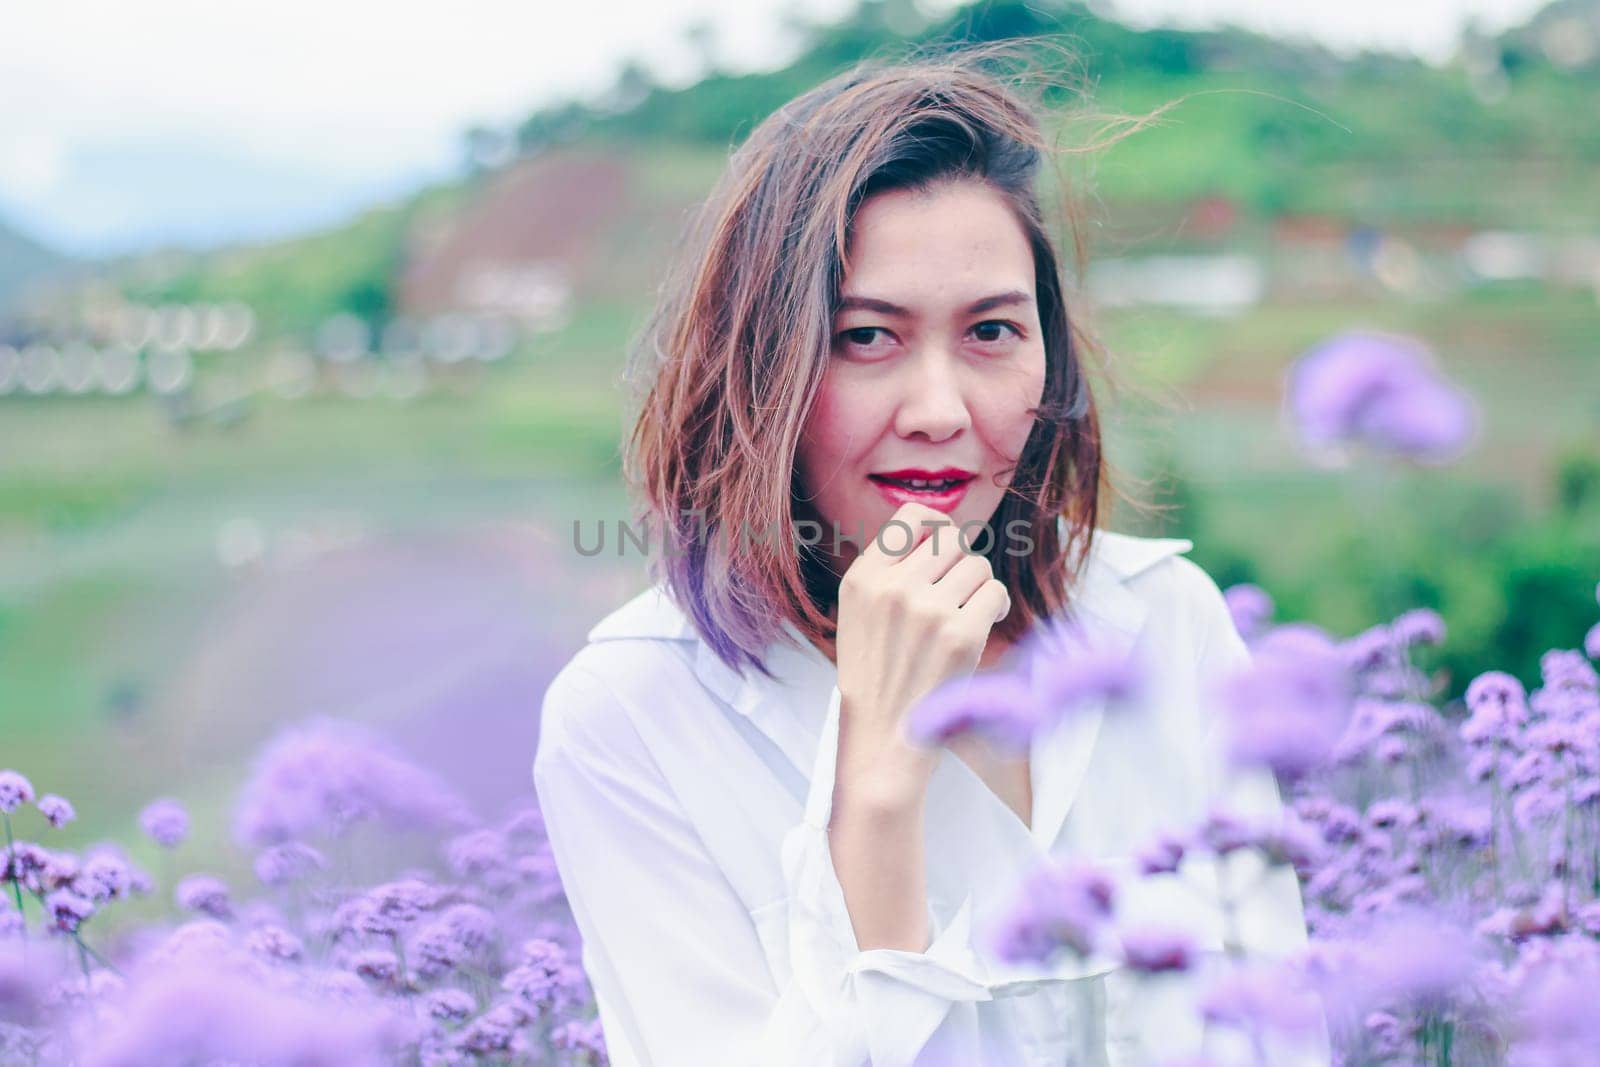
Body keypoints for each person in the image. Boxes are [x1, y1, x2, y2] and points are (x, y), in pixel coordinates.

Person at [534, 43, 1326, 1067]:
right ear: (760, 363)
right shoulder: (635, 714)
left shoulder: (1166, 620)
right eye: (868, 338)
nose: (942, 410)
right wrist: (872, 794)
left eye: (993, 330)